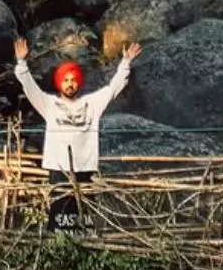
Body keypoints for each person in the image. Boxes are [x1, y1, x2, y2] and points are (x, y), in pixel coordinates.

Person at [13, 37, 141, 234]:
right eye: (66, 80)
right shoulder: (49, 104)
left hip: (85, 167)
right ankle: (59, 251)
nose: (70, 84)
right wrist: (22, 63)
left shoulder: (92, 104)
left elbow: (113, 88)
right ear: (59, 84)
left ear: (78, 83)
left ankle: (85, 248)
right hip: (59, 168)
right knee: (59, 218)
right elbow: (30, 88)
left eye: (73, 80)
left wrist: (125, 63)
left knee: (84, 217)